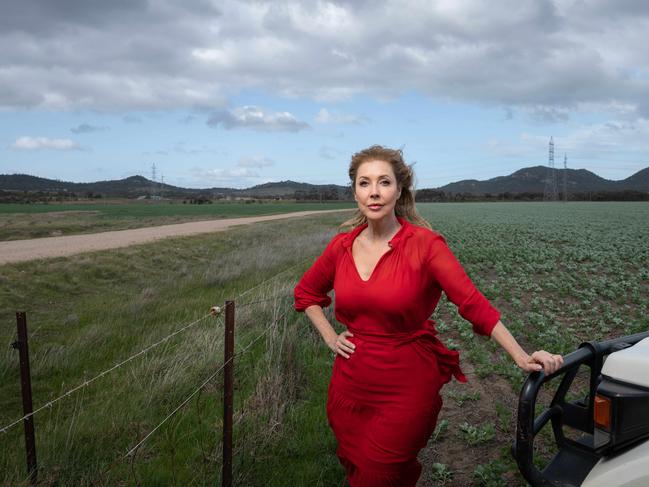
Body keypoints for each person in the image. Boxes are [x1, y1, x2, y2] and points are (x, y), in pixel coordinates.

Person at [293, 145, 563, 487]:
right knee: (358, 469)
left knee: (379, 475)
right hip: (349, 388)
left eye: (384, 182)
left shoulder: (426, 245)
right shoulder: (341, 247)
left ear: (400, 189)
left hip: (405, 388)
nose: (374, 192)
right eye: (364, 183)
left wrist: (521, 356)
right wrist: (330, 337)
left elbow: (472, 303)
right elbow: (306, 294)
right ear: (355, 191)